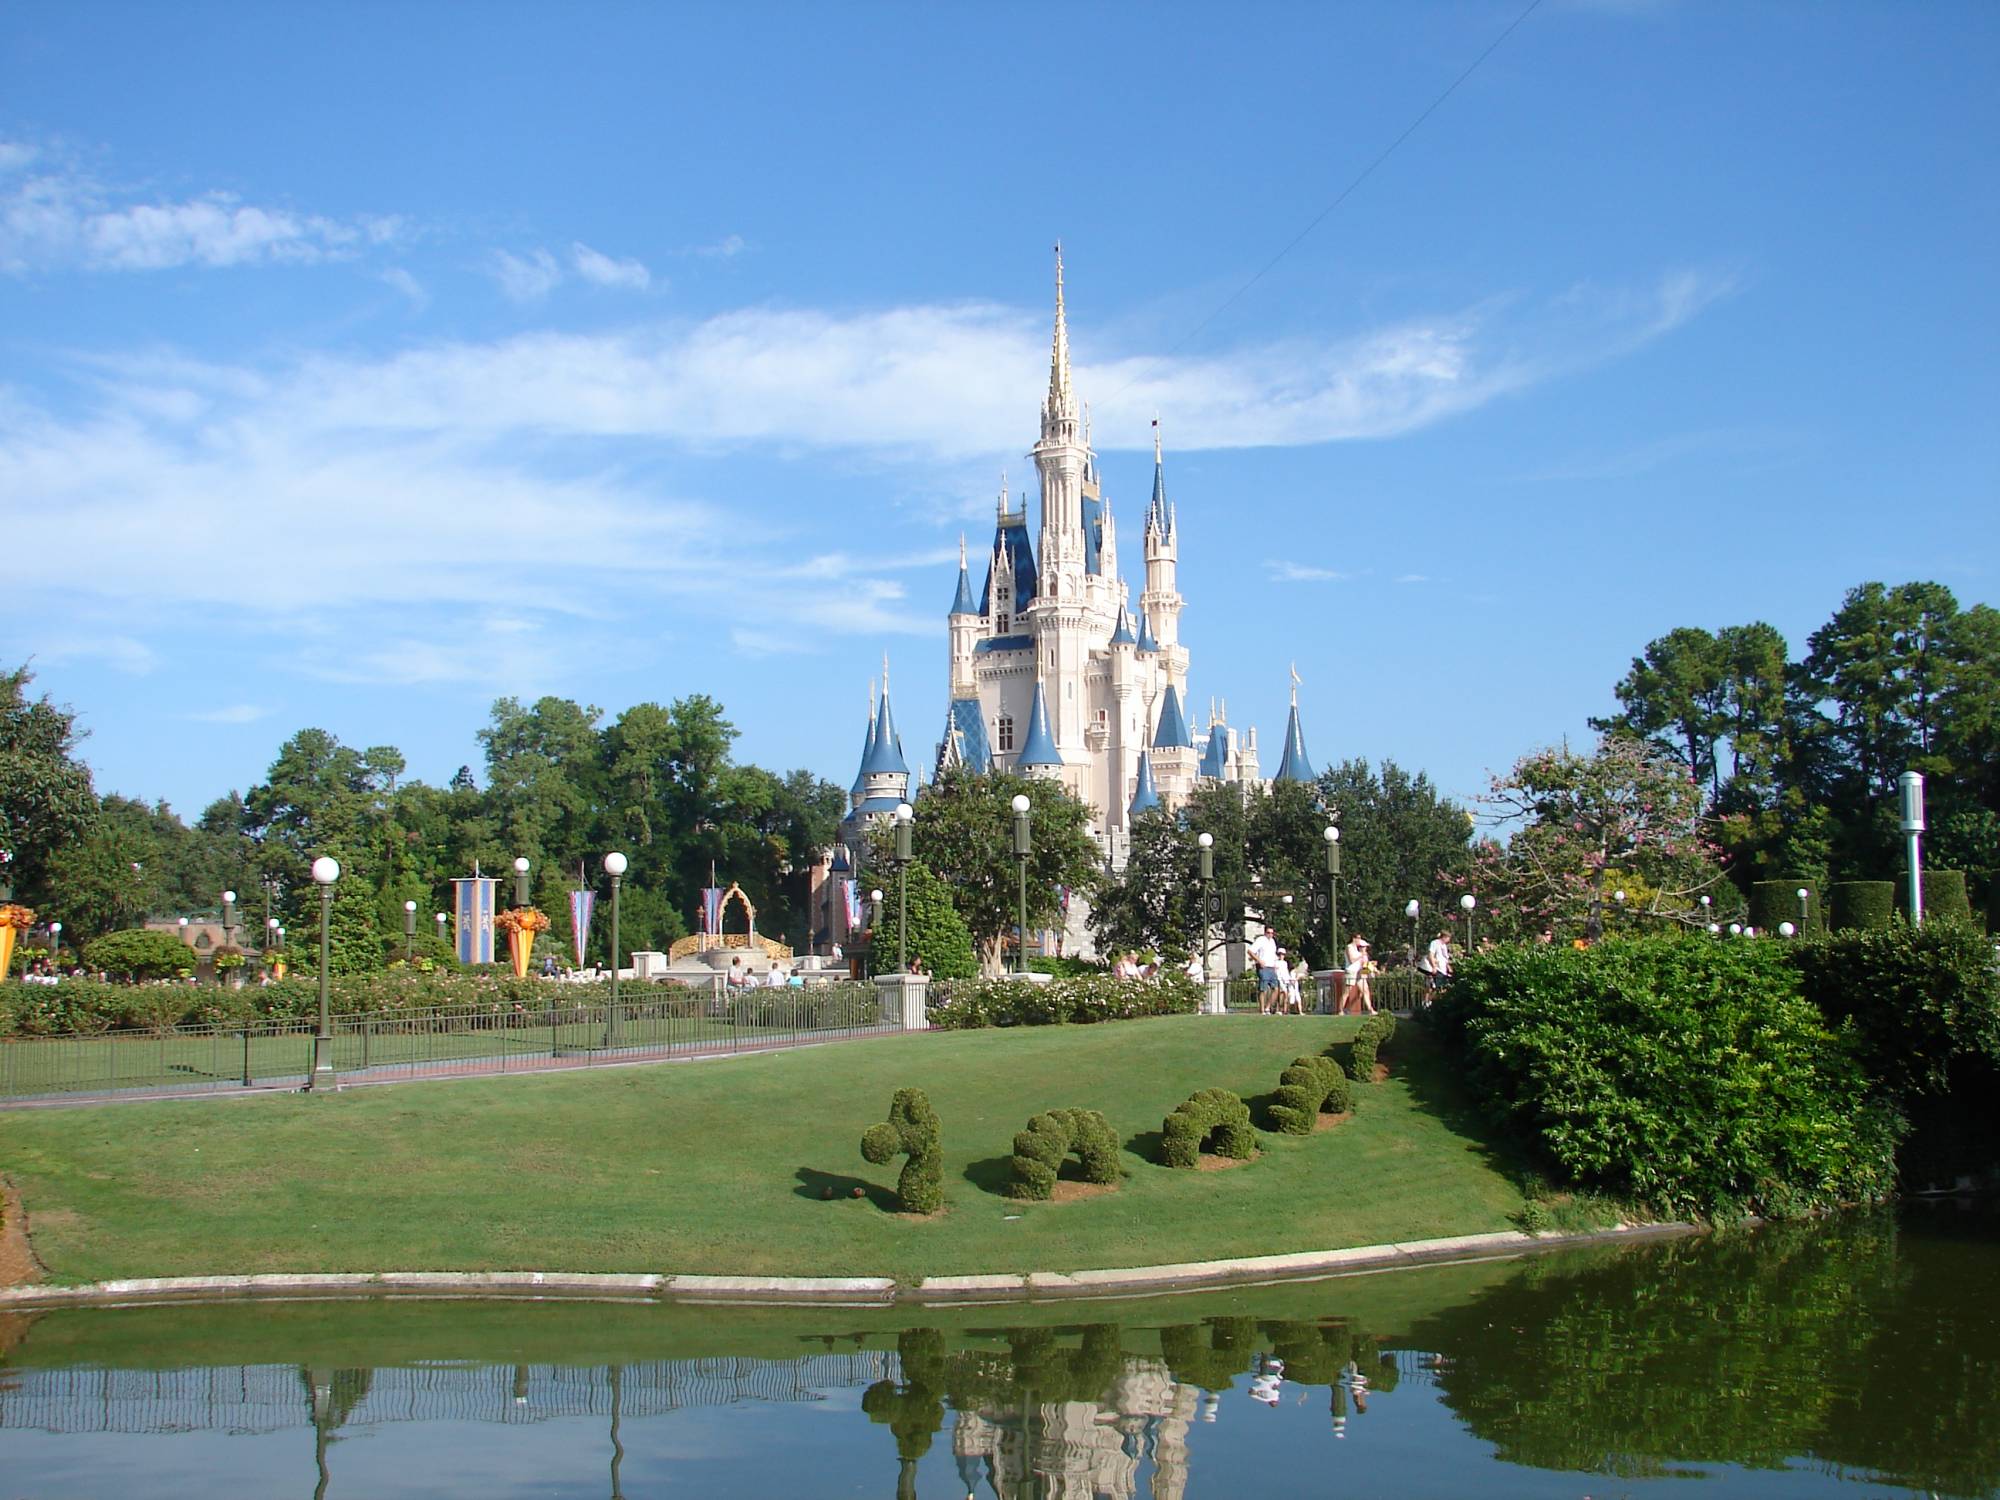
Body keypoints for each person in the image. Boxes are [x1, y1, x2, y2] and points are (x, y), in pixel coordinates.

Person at [1246, 927, 1280, 1013]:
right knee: (1263, 989)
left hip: (1271, 967)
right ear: (1265, 933)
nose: (1270, 935)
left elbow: (1273, 955)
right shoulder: (1261, 940)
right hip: (1263, 968)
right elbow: (1250, 951)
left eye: (1272, 933)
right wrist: (1259, 960)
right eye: (1268, 933)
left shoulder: (1272, 942)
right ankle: (1262, 1010)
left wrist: (1275, 964)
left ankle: (1267, 1007)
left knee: (1275, 989)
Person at [1343, 935, 1374, 1015]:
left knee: (1365, 990)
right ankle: (1341, 1010)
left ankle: (1370, 1010)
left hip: (1359, 973)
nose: (1365, 948)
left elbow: (1364, 965)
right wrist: (1361, 955)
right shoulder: (1350, 948)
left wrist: (1370, 969)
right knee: (1346, 992)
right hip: (1351, 972)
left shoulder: (1361, 953)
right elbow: (1352, 960)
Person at [1425, 929, 1452, 996]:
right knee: (1435, 987)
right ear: (1444, 937)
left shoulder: (1444, 946)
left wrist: (1448, 967)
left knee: (1442, 987)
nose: (1449, 940)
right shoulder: (1435, 943)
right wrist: (1434, 966)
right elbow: (1431, 955)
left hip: (1443, 970)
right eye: (1448, 938)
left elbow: (1445, 958)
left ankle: (1434, 1002)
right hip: (1437, 969)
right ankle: (1427, 1002)